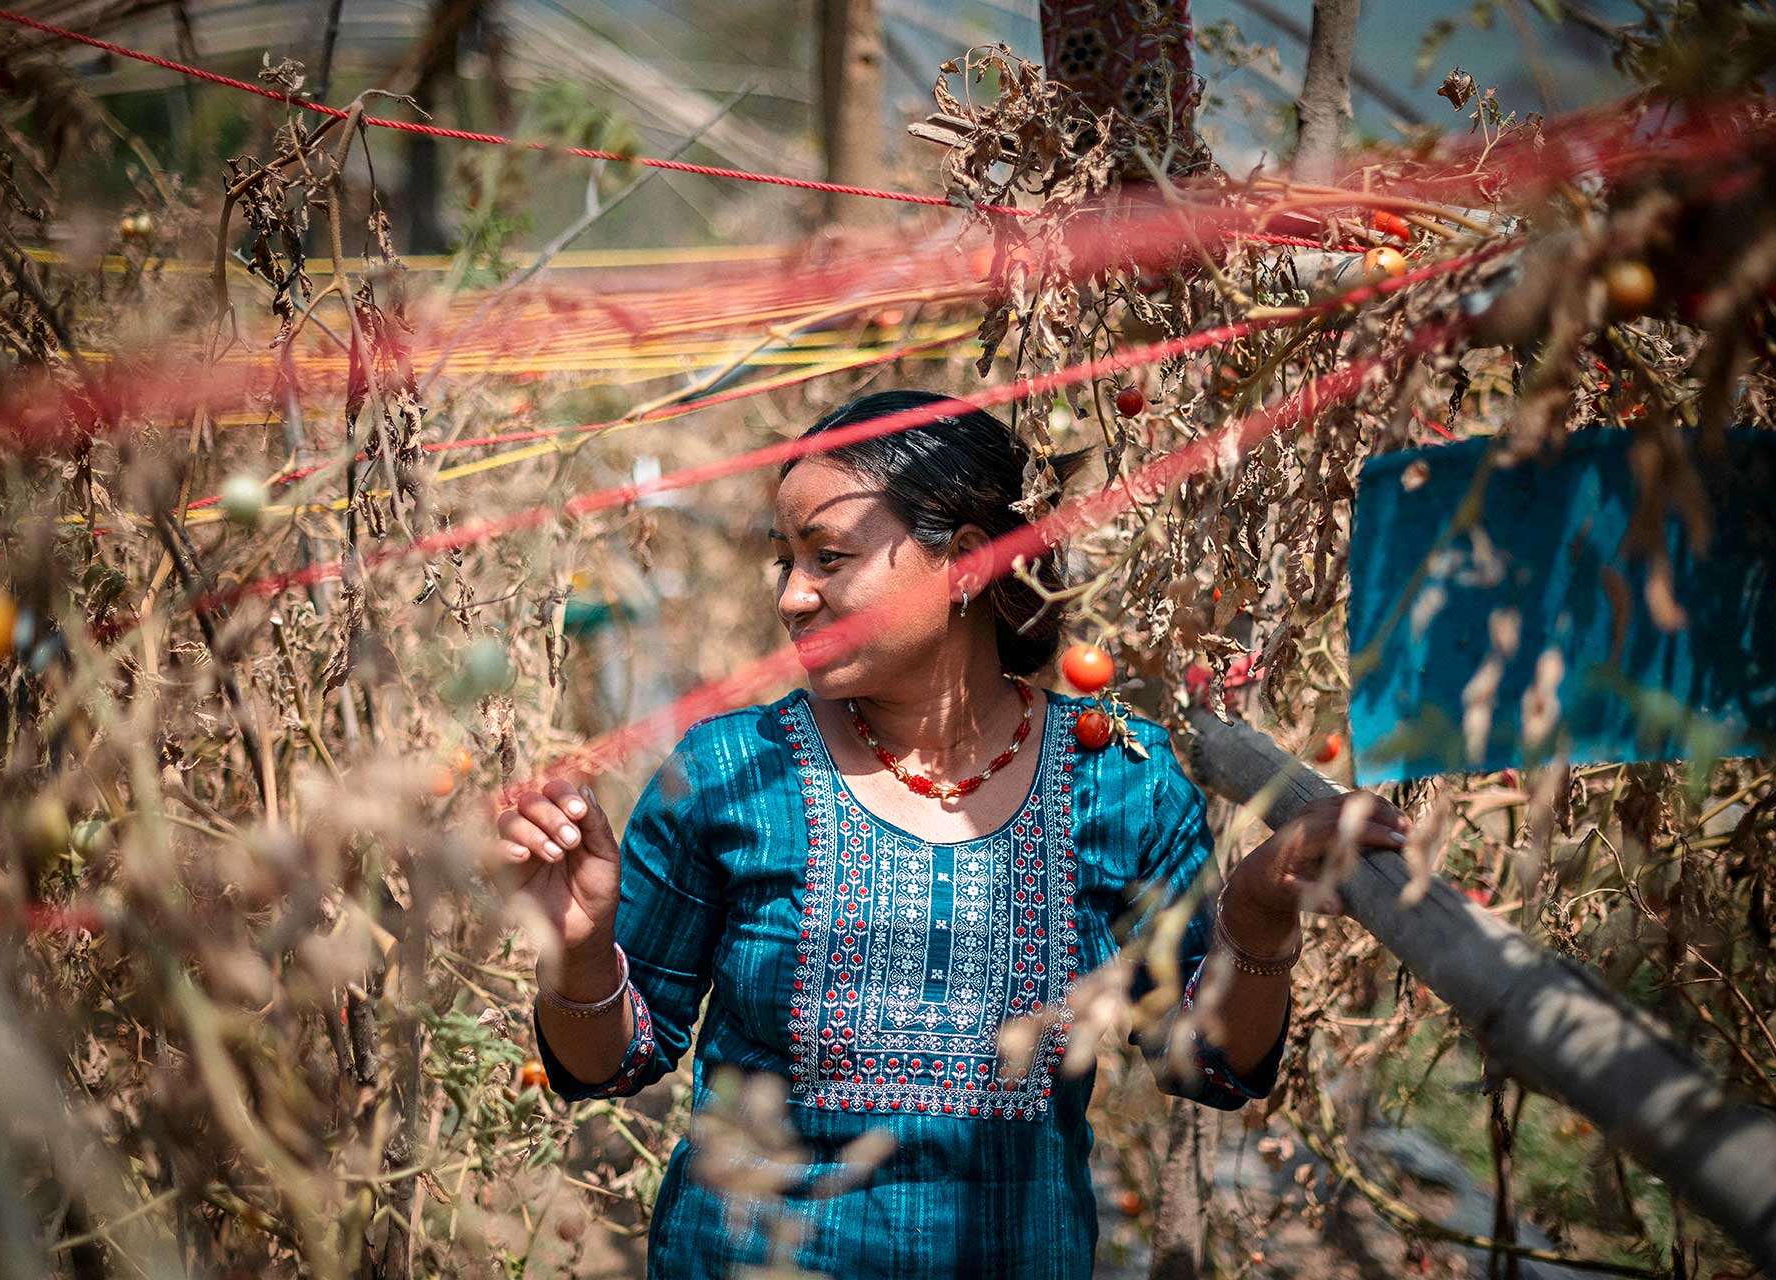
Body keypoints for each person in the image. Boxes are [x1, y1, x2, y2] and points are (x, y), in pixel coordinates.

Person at [492, 391, 1409, 1278]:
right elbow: (609, 1065)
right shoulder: (731, 771)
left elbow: (1208, 1060)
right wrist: (577, 955)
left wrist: (1251, 926)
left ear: (967, 561)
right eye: (786, 561)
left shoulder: (1119, 781)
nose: (795, 597)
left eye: (829, 557)